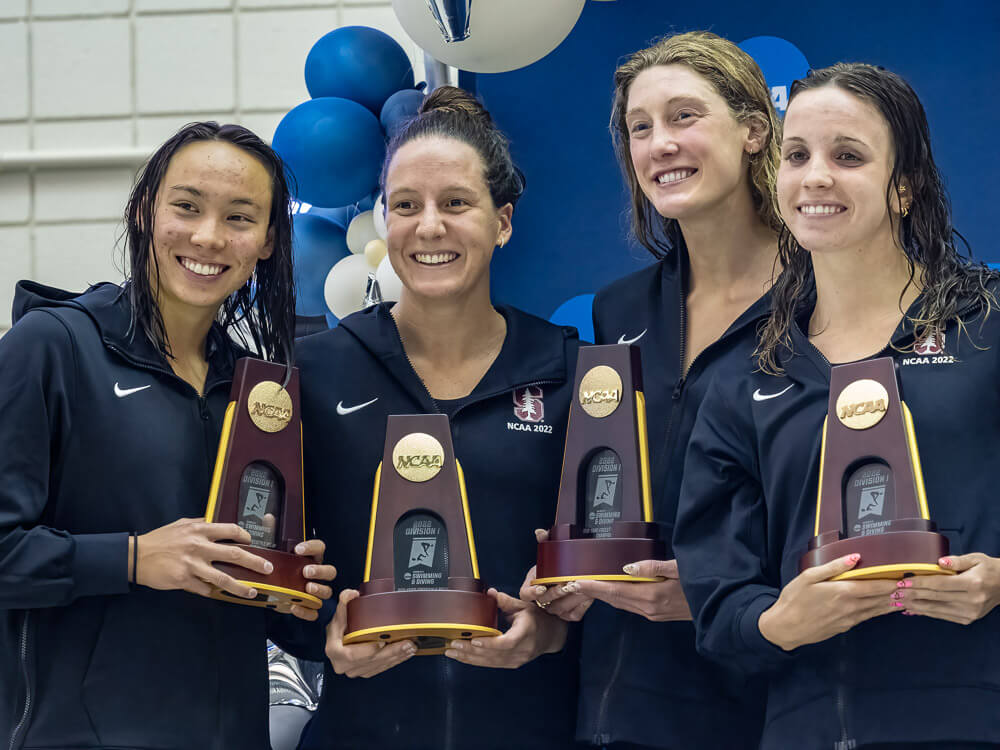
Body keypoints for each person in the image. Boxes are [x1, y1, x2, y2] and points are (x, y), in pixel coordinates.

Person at [675, 63, 1000, 749]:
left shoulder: (989, 324)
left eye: (847, 156)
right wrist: (777, 623)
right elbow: (719, 592)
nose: (815, 177)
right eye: (797, 156)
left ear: (904, 186)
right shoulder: (745, 373)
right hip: (808, 726)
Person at [0, 122, 336, 750]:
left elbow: (239, 591)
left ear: (266, 241)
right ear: (142, 212)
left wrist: (290, 595)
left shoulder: (257, 390)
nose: (208, 237)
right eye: (186, 207)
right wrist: (131, 558)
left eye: (240, 218)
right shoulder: (51, 349)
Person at [291, 87, 581, 750]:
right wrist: (323, 632)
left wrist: (555, 630)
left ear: (503, 221)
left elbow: (609, 575)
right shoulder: (315, 372)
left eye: (456, 203)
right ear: (382, 220)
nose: (428, 227)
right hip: (362, 731)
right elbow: (276, 575)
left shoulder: (570, 372)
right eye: (405, 206)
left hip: (535, 728)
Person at [520, 31, 778, 748]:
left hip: (764, 694)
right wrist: (571, 553)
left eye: (685, 117)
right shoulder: (621, 310)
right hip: (622, 700)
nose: (660, 144)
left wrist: (706, 589)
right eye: (641, 128)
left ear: (754, 129)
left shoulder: (823, 300)